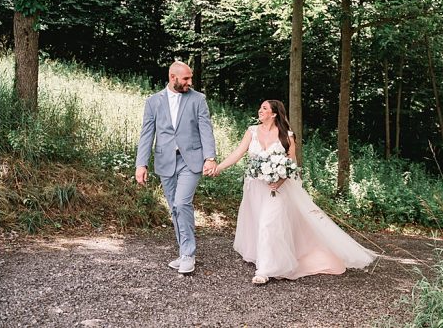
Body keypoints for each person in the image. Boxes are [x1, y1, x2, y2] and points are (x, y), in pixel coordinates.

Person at [215, 100, 377, 284]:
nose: (260, 110)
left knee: (269, 224)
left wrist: (280, 180)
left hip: (277, 189)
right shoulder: (252, 131)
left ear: (274, 113)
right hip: (255, 187)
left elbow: (292, 165)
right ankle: (264, 256)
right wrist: (218, 168)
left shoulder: (287, 136)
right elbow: (237, 153)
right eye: (260, 107)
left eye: (264, 108)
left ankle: (265, 270)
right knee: (258, 222)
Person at [135, 61, 217, 274]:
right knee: (174, 208)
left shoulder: (198, 99)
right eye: (186, 79)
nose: (190, 82)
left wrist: (210, 157)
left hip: (191, 160)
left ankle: (189, 254)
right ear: (173, 78)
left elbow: (205, 129)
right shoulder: (153, 101)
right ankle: (184, 252)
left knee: (182, 203)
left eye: (190, 78)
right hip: (165, 161)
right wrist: (141, 164)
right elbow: (147, 134)